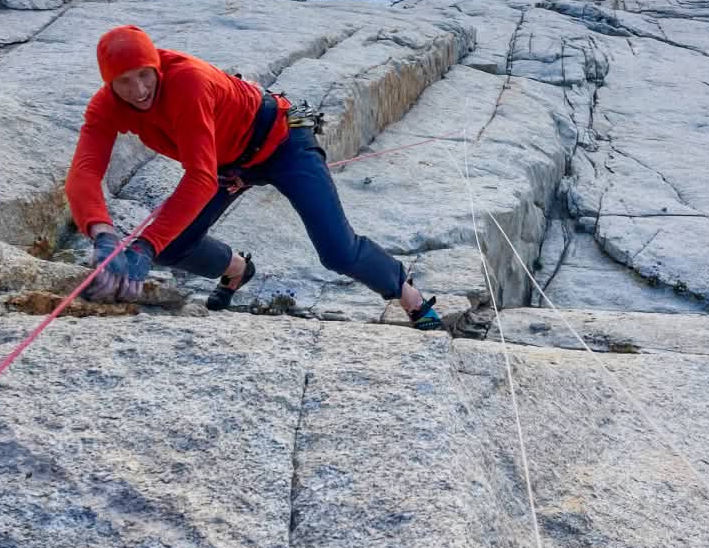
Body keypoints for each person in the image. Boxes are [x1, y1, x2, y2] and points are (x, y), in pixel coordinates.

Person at [64, 24, 442, 328]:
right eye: (124, 82)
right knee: (174, 246)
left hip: (283, 143)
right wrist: (102, 233)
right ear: (108, 83)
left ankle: (407, 293)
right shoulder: (107, 106)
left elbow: (198, 177)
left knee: (337, 251)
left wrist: (143, 246)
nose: (138, 90)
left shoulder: (188, 83)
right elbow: (84, 171)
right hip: (228, 164)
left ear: (157, 67)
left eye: (144, 75)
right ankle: (236, 268)